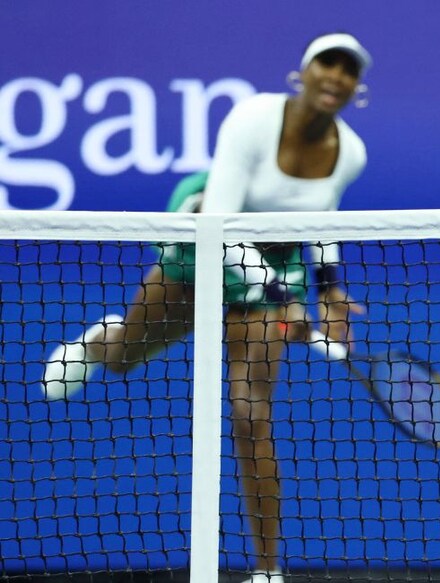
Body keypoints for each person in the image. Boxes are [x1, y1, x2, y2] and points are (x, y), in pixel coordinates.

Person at [41, 31, 373, 583]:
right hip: (204, 240)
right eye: (327, 64)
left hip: (277, 260)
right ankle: (100, 342)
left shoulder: (351, 151)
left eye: (349, 70)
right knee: (126, 355)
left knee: (251, 415)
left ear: (356, 88)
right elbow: (219, 223)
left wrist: (328, 288)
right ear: (303, 72)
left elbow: (322, 219)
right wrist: (284, 297)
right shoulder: (252, 120)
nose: (336, 77)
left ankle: (268, 571)